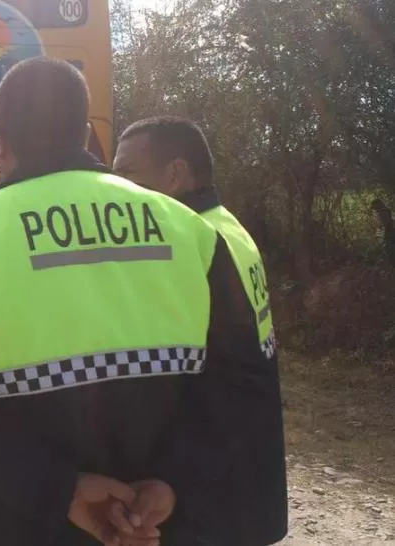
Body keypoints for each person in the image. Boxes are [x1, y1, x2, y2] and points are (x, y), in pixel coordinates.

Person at [0, 57, 286, 546]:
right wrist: (175, 482)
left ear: (0, 140)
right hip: (163, 526)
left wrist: (63, 491)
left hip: (16, 527)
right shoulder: (192, 231)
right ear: (85, 134)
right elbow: (242, 382)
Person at [113, 115, 288, 541]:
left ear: (174, 174)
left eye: (127, 174)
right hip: (245, 480)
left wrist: (172, 481)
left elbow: (214, 382)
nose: (116, 189)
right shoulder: (226, 226)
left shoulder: (189, 245)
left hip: (209, 499)